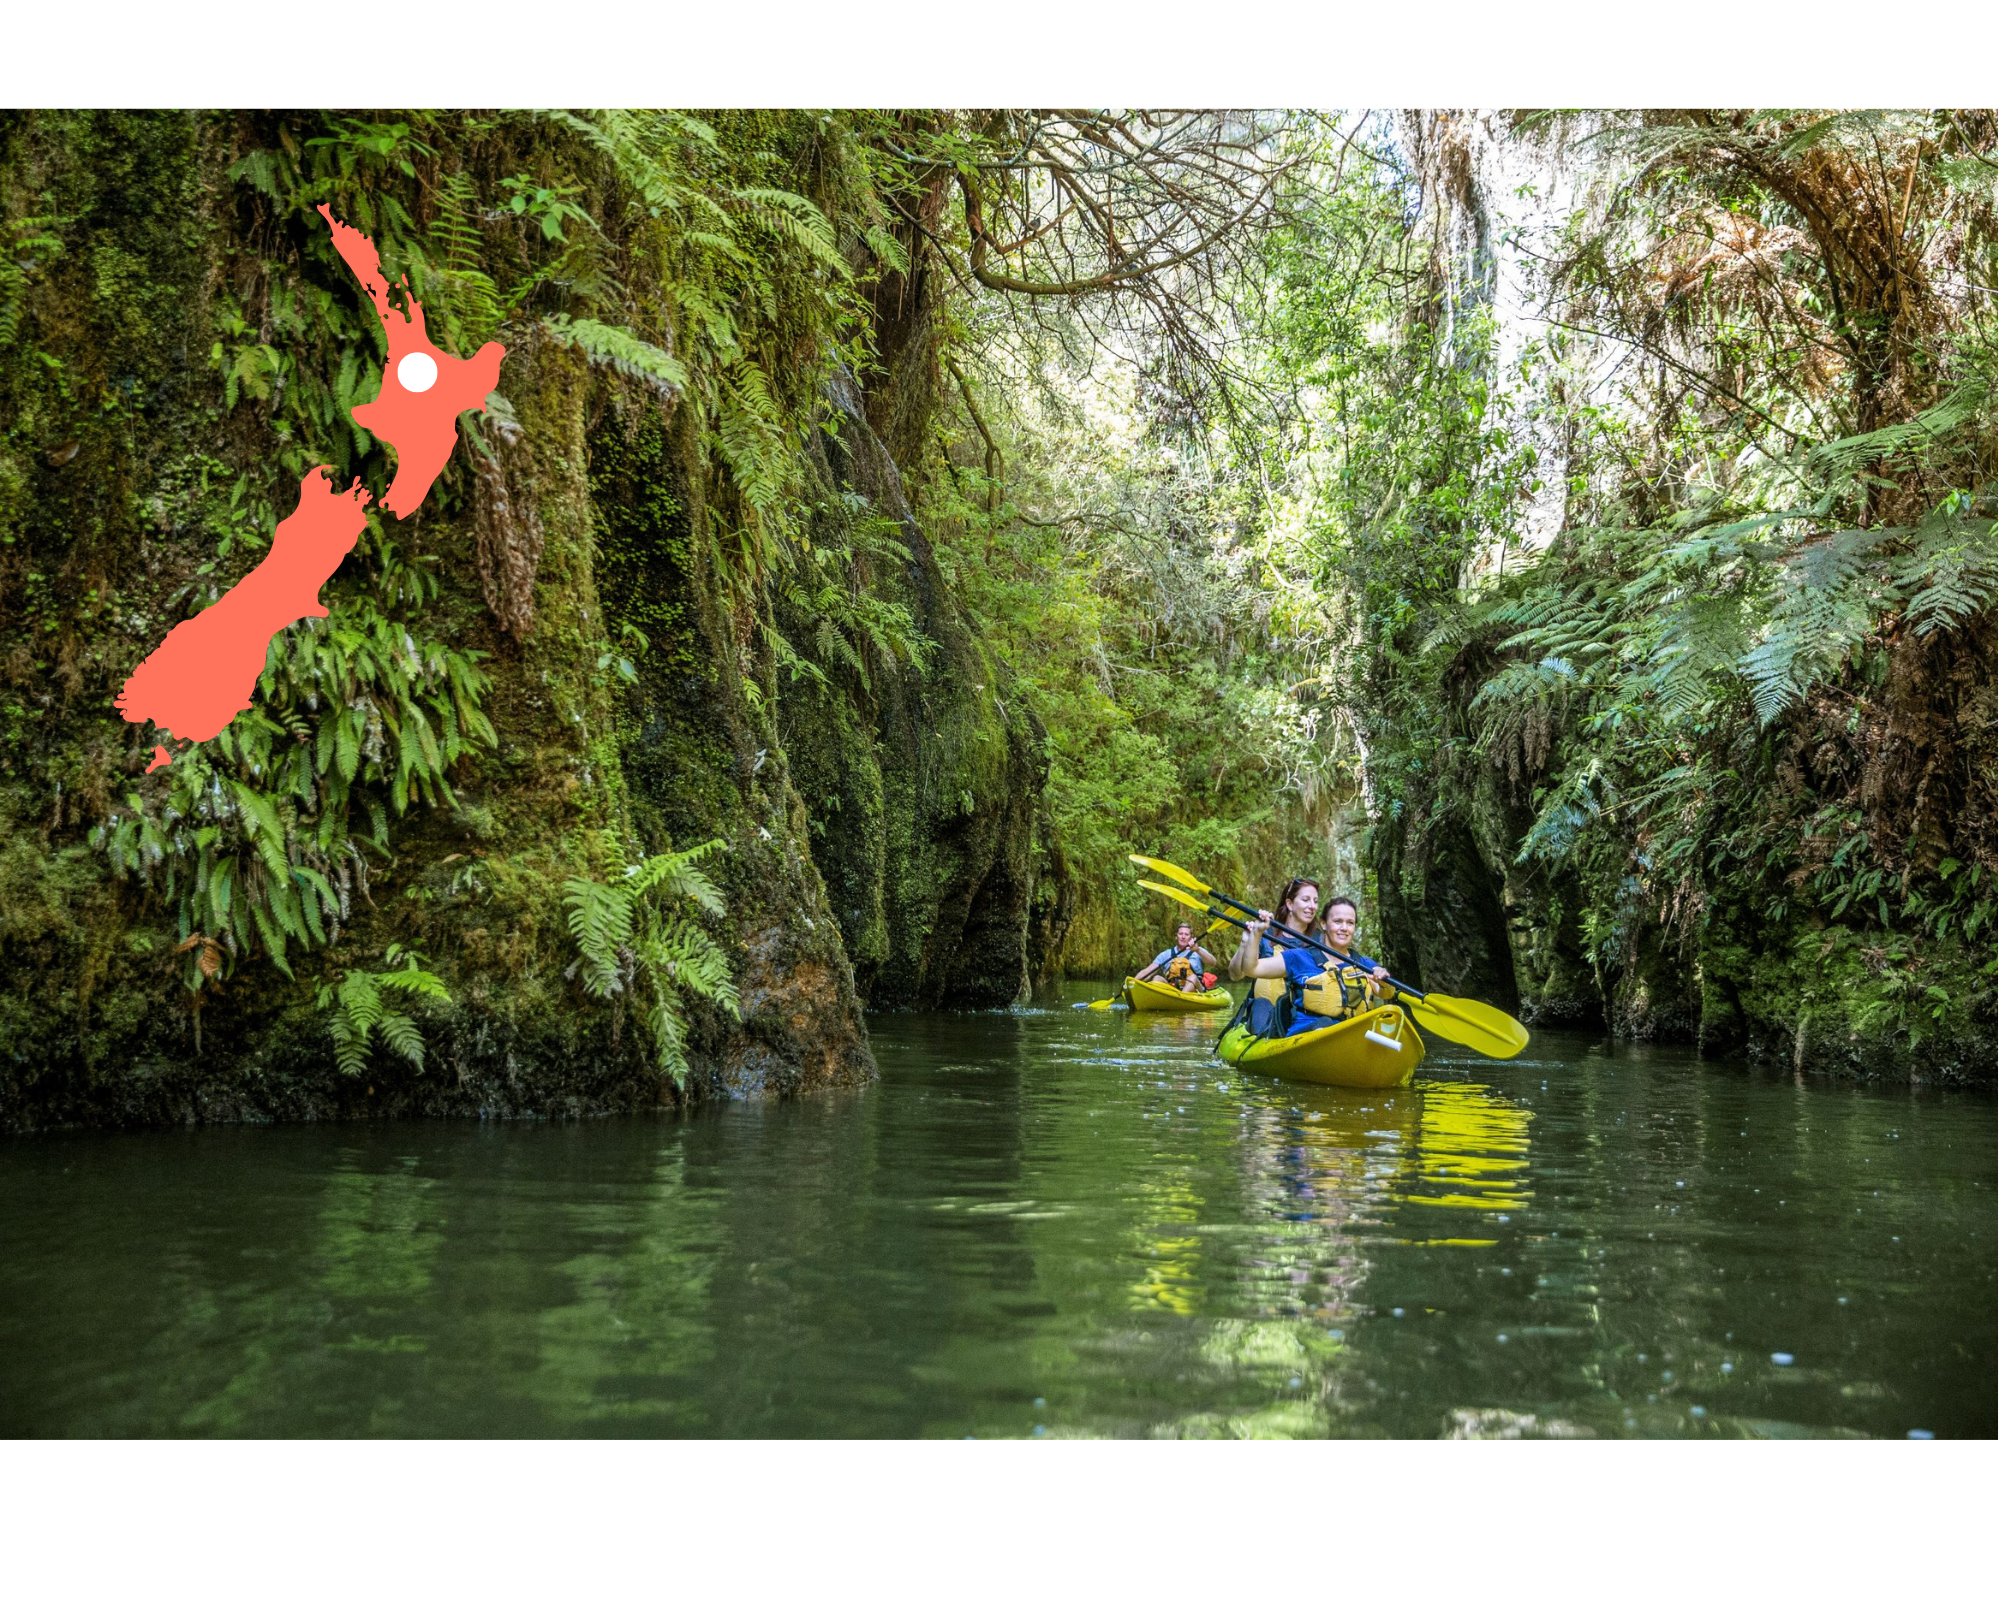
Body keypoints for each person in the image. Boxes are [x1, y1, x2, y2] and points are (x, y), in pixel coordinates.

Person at [1234, 894, 1394, 1037]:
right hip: (1307, 1036)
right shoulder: (1300, 957)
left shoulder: (1363, 963)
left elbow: (1386, 994)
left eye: (1350, 923)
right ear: (1323, 924)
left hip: (1351, 1036)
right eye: (1338, 922)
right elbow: (1251, 969)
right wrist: (1256, 934)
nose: (1344, 928)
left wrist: (1384, 981)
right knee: (1324, 1024)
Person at [1228, 876, 1321, 1035]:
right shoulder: (1265, 934)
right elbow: (1235, 975)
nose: (1312, 906)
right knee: (1261, 1005)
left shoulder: (1320, 941)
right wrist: (1246, 942)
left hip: (1303, 1015)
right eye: (1306, 900)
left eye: (1316, 901)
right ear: (1290, 904)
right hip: (1263, 1011)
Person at [1134, 922, 1219, 993]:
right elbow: (1148, 971)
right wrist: (1133, 982)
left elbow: (1213, 962)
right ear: (1176, 936)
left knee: (1192, 977)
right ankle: (1172, 1000)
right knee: (1157, 978)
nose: (1183, 936)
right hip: (1173, 990)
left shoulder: (1197, 951)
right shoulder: (1166, 954)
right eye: (1180, 934)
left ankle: (1182, 998)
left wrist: (1198, 950)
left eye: (1186, 934)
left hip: (1196, 990)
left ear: (1191, 937)